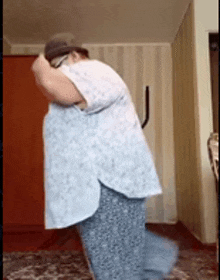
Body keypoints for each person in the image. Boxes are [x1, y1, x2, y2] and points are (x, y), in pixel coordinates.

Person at [31, 33, 178, 280]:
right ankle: (154, 253)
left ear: (76, 55)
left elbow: (56, 87)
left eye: (58, 64)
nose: (56, 72)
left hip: (106, 184)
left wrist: (40, 65)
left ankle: (154, 255)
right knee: (119, 250)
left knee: (113, 268)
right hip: (100, 184)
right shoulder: (88, 75)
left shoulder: (93, 70)